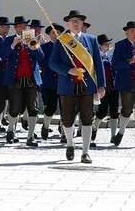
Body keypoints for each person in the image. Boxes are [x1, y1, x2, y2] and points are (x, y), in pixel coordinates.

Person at [49, 10, 105, 163]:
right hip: (68, 85)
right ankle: (70, 144)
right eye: (73, 21)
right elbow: (52, 63)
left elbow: (98, 64)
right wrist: (68, 70)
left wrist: (101, 85)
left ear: (82, 24)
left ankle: (85, 152)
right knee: (67, 119)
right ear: (68, 23)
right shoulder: (62, 40)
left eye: (78, 21)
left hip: (88, 86)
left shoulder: (91, 40)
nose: (75, 23)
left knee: (87, 118)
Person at [1, 16, 44, 146]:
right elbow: (3, 56)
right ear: (15, 28)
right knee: (14, 107)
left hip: (31, 78)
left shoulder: (33, 39)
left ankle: (30, 136)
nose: (22, 29)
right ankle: (10, 132)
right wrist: (13, 44)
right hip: (15, 78)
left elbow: (42, 58)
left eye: (24, 26)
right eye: (20, 27)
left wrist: (36, 45)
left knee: (33, 107)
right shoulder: (9, 39)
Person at [91, 34, 119, 144]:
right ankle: (94, 128)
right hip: (102, 85)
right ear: (100, 45)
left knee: (114, 110)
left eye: (109, 44)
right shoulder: (96, 56)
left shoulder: (111, 55)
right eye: (106, 44)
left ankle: (113, 136)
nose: (108, 46)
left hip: (113, 85)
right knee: (102, 111)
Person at [40, 23, 65, 140]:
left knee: (65, 108)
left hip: (63, 81)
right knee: (51, 107)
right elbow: (42, 63)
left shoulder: (65, 47)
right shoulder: (44, 47)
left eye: (58, 33)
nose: (55, 35)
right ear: (49, 35)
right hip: (49, 82)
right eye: (53, 33)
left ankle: (64, 131)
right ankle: (45, 126)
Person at [112, 21, 135, 146]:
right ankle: (120, 132)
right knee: (127, 110)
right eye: (132, 31)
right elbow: (115, 64)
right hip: (127, 83)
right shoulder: (120, 45)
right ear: (127, 33)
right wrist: (129, 61)